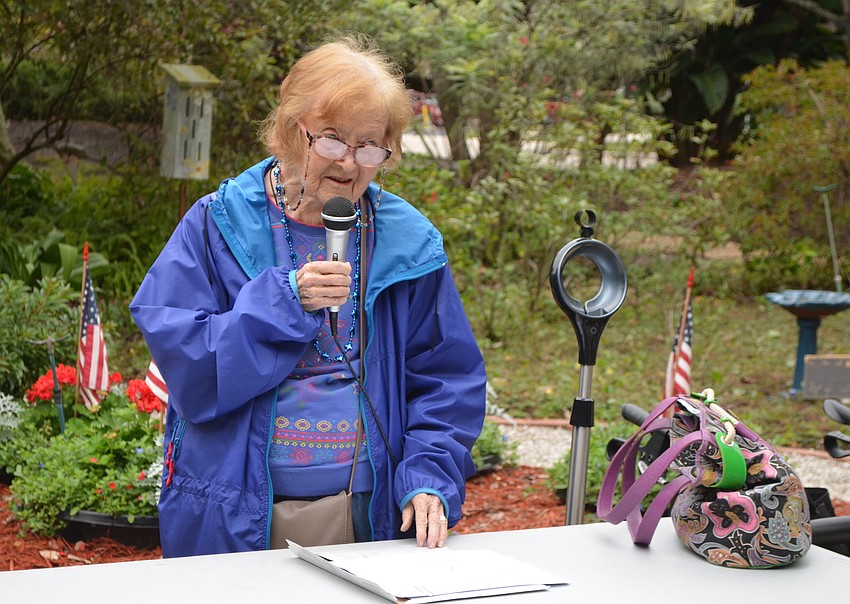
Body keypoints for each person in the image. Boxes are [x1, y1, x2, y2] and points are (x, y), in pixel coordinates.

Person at [130, 35, 487, 557]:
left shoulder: (409, 242)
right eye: (332, 139)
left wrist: (430, 473)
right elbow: (189, 366)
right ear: (291, 128)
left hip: (369, 511)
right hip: (234, 511)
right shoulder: (215, 224)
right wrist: (284, 302)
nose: (349, 162)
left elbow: (445, 379)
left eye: (369, 145)